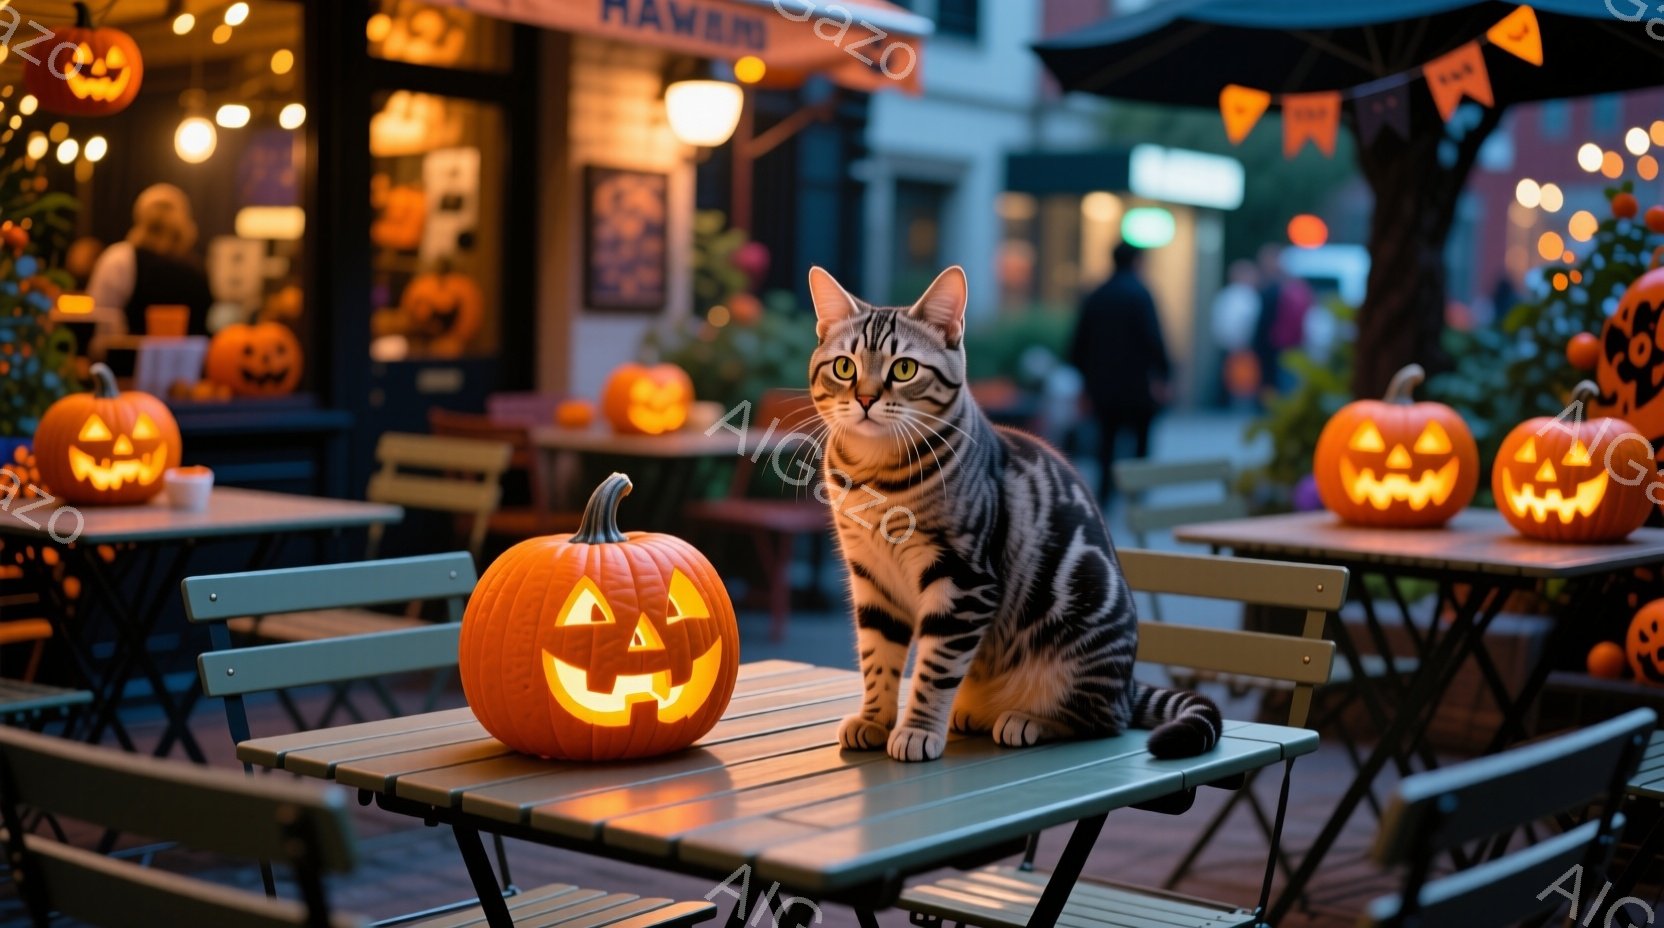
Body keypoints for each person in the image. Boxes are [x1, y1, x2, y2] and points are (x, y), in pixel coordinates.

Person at [1069, 241, 1172, 507]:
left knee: (1106, 442)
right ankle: (1137, 495)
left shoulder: (1097, 294)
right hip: (1137, 385)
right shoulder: (1141, 293)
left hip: (1102, 386)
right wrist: (1164, 374)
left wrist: (1085, 382)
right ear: (1137, 261)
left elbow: (1078, 343)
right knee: (1140, 440)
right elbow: (1153, 338)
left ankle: (1105, 495)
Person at [86, 184, 214, 337]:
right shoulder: (197, 268)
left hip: (129, 359)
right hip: (185, 360)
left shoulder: (120, 258)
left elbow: (100, 320)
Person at [1209, 259, 1260, 406]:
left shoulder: (1224, 295)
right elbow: (1246, 324)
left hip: (1225, 344)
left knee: (1230, 378)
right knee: (1242, 380)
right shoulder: (1247, 296)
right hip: (1241, 346)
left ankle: (1226, 405)